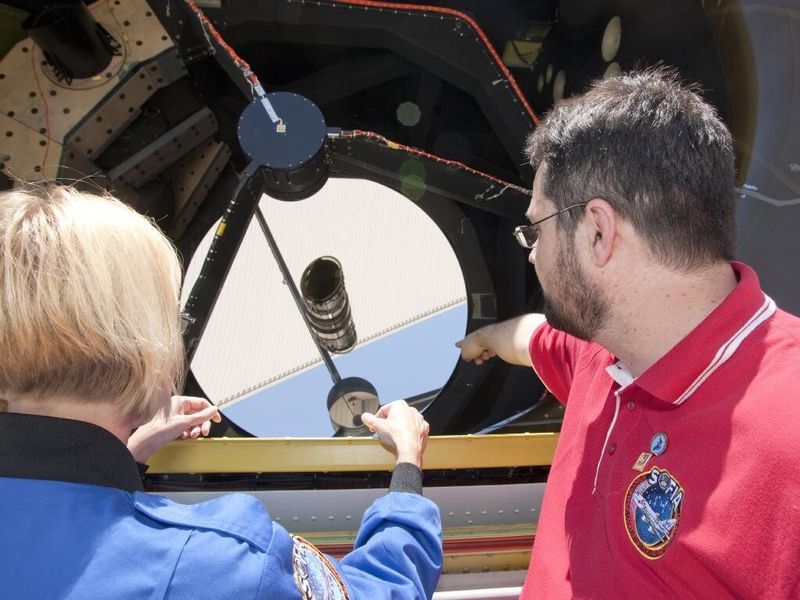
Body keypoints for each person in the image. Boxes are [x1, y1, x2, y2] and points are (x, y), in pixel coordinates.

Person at [0, 185, 442, 599]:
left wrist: (129, 453)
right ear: (145, 353)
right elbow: (385, 590)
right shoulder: (222, 562)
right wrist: (408, 463)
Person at [458, 69, 800, 598]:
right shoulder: (604, 352)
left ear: (598, 231)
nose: (533, 253)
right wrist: (484, 339)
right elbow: (530, 339)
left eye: (536, 229)